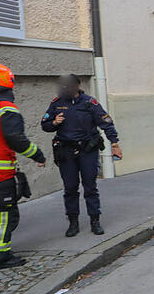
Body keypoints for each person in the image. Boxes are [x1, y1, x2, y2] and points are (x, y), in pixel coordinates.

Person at [41, 74, 121, 237]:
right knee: (70, 188)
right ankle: (73, 222)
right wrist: (54, 123)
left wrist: (115, 144)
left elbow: (106, 123)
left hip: (87, 151)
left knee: (90, 187)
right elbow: (45, 125)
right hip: (66, 152)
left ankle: (95, 221)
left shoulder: (89, 102)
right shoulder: (57, 103)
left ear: (77, 86)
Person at [0, 63, 47, 269]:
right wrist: (38, 155)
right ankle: (1, 256)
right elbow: (15, 138)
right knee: (4, 215)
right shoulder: (5, 108)